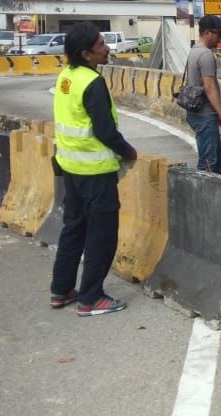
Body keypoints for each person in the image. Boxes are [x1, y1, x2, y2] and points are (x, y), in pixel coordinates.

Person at [49, 22, 138, 317]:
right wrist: (128, 151)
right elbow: (105, 130)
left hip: (70, 169)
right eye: (101, 45)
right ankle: (91, 297)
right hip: (95, 171)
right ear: (86, 53)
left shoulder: (66, 77)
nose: (107, 48)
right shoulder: (93, 82)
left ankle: (61, 289)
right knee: (102, 234)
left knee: (73, 228)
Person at [185, 15, 221, 173]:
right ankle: (204, 195)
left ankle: (215, 189)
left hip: (197, 112)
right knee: (208, 161)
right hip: (205, 114)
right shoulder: (205, 55)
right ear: (207, 33)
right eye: (218, 33)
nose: (220, 38)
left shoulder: (194, 51)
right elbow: (209, 88)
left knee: (218, 155)